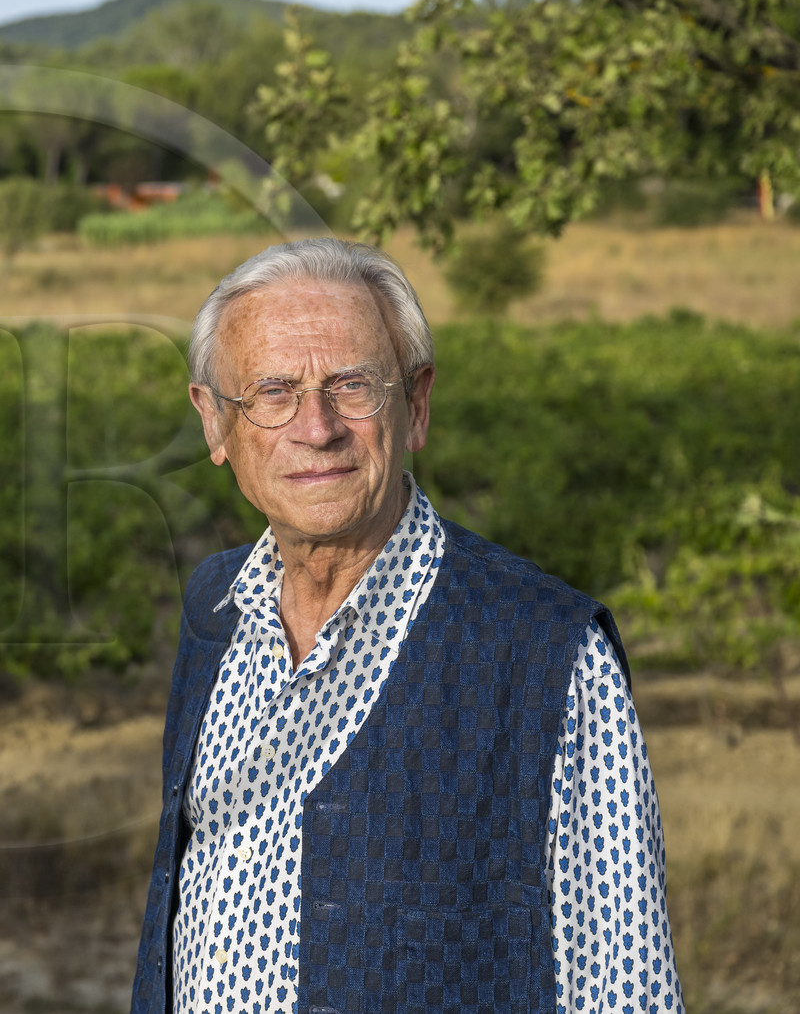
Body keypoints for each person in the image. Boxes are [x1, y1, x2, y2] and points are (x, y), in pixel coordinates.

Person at [129, 238, 683, 1014]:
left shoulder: (549, 656)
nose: (315, 427)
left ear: (415, 404)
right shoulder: (214, 607)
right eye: (273, 392)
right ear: (217, 424)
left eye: (352, 386)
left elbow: (627, 992)